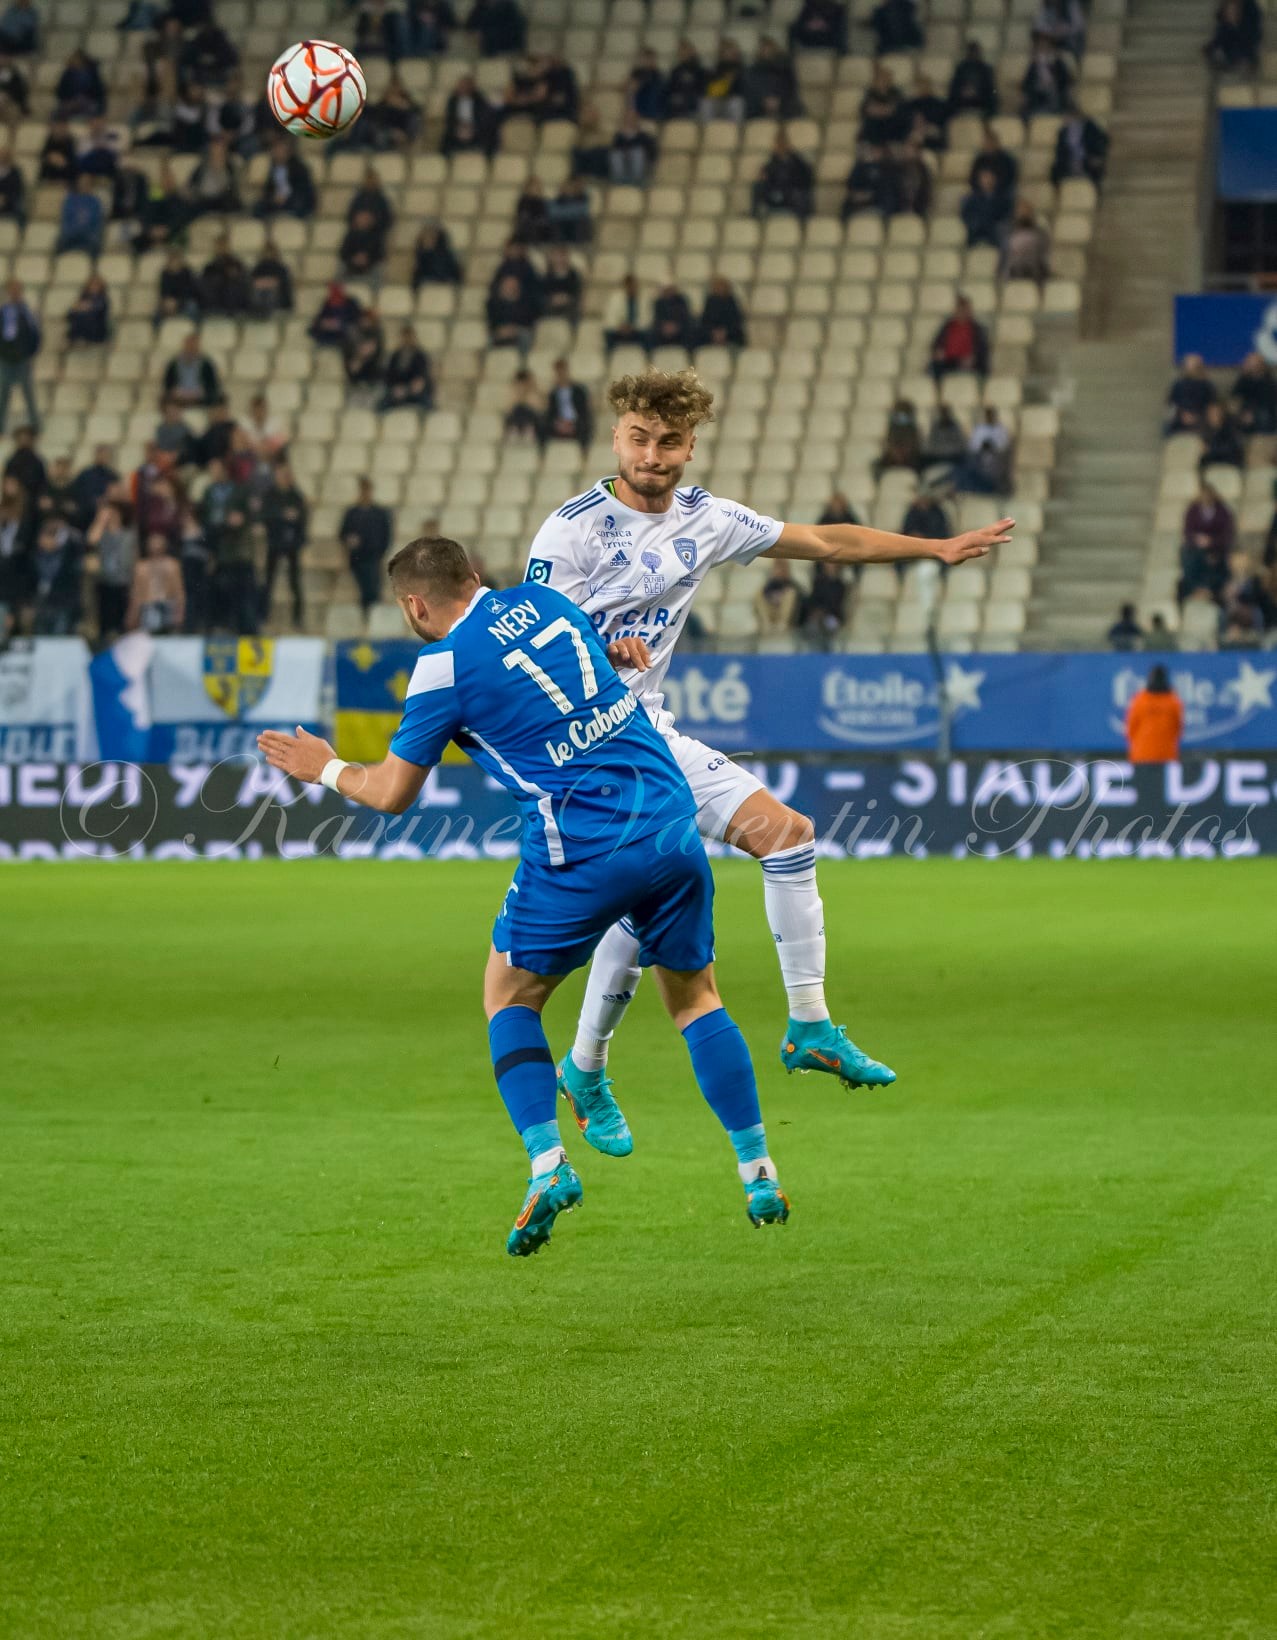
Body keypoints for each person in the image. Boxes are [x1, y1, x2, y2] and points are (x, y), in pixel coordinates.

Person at [257, 535, 792, 1255]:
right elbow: (578, 662)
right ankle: (757, 1170)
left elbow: (390, 794)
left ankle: (548, 1165)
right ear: (475, 578)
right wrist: (620, 652)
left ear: (415, 605)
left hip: (584, 844)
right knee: (696, 996)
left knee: (508, 998)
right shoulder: (544, 602)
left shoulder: (440, 667)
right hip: (668, 815)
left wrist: (324, 768)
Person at [523, 367, 1013, 1125]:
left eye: (669, 441)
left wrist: (933, 547)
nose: (652, 454)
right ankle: (585, 1069)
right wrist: (598, 645)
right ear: (616, 436)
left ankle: (808, 1026)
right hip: (584, 748)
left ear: (690, 446)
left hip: (649, 732)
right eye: (639, 438)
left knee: (786, 839)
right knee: (644, 888)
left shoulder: (706, 518)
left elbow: (823, 541)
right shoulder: (571, 529)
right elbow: (528, 642)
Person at [260, 457, 308, 627]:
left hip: (291, 544)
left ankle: (297, 618)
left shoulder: (296, 496)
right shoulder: (271, 496)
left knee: (294, 582)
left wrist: (300, 539)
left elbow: (303, 519)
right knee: (268, 581)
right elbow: (265, 515)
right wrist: (282, 515)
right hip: (274, 542)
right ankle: (263, 615)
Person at [341, 476, 392, 614]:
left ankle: (372, 618)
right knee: (363, 591)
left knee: (373, 590)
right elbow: (343, 533)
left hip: (373, 557)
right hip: (357, 558)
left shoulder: (379, 513)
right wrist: (349, 541)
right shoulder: (352, 513)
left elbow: (386, 535)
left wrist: (380, 552)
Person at [0, 279, 40, 433]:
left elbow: (34, 334)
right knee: (4, 395)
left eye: (17, 289)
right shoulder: (4, 312)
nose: (14, 293)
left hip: (22, 358)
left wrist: (30, 352)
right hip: (6, 359)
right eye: (12, 290)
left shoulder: (27, 312)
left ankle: (35, 426)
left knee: (28, 394)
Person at [31, 518, 84, 635]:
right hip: (42, 602)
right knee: (40, 636)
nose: (41, 541)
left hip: (63, 603)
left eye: (45, 537)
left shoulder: (69, 554)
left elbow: (78, 541)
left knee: (59, 637)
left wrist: (64, 532)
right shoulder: (37, 555)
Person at [127, 529, 184, 634]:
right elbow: (136, 593)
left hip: (167, 607)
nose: (155, 545)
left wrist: (179, 613)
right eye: (152, 542)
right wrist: (132, 615)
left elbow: (179, 592)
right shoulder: (141, 567)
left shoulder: (172, 565)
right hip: (148, 608)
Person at [1125, 664, 1184, 764]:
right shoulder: (1173, 701)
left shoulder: (1139, 700)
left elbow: (1130, 729)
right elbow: (1178, 729)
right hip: (1166, 755)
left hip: (1141, 756)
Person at [750, 132, 813, 220]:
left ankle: (801, 221)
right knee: (758, 187)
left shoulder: (799, 163)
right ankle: (754, 217)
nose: (779, 147)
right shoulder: (771, 164)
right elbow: (769, 180)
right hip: (776, 193)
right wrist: (764, 178)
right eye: (777, 144)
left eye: (782, 143)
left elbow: (805, 180)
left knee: (799, 196)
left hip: (791, 194)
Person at [930, 295, 989, 385]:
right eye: (960, 309)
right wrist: (938, 352)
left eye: (964, 310)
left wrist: (974, 358)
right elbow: (936, 345)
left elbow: (982, 349)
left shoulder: (976, 329)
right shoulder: (947, 327)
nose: (962, 312)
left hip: (969, 362)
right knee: (935, 367)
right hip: (949, 361)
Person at [255, 136, 316, 219]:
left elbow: (303, 190)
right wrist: (273, 198)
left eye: (281, 150)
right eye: (275, 150)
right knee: (258, 207)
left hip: (293, 200)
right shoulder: (272, 168)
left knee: (298, 204)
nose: (278, 153)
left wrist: (287, 197)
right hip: (276, 202)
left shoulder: (299, 168)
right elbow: (268, 190)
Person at [379, 324, 433, 412]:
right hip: (397, 391)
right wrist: (395, 388)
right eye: (404, 338)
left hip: (414, 392)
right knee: (381, 405)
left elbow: (420, 380)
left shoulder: (420, 357)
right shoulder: (395, 356)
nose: (407, 340)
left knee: (428, 404)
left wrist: (407, 389)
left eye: (409, 337)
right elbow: (389, 377)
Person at [442, 73, 497, 155]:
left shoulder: (480, 100)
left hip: (476, 130)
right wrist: (458, 128)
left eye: (466, 86)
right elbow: (450, 118)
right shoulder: (452, 100)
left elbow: (484, 118)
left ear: (471, 87)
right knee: (445, 141)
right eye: (461, 86)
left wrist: (473, 128)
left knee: (489, 137)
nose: (463, 88)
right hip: (458, 130)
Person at [542, 357, 591, 449]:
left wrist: (571, 424)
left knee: (584, 426)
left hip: (576, 423)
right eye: (558, 373)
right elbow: (550, 413)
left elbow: (584, 411)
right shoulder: (553, 394)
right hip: (559, 424)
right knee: (544, 426)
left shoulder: (579, 391)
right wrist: (558, 424)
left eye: (562, 371)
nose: (561, 375)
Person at [1020, 34, 1072, 119]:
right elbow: (1026, 84)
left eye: (1046, 48)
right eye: (1040, 48)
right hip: (1037, 98)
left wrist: (1050, 70)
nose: (1043, 51)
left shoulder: (1058, 64)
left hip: (1055, 97)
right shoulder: (1034, 66)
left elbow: (1066, 82)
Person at [1051, 112, 1109, 188]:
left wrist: (1098, 156)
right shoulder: (1063, 132)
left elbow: (1103, 140)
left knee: (1095, 167)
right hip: (1068, 164)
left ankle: (1096, 191)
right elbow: (1060, 152)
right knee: (1055, 171)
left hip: (1088, 161)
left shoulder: (1090, 127)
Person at [163, 333, 221, 407]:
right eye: (189, 345)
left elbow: (213, 385)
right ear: (184, 345)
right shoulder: (173, 364)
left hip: (201, 399)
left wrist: (201, 392)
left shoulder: (207, 365)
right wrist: (176, 392)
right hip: (178, 400)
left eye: (194, 345)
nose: (191, 348)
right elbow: (168, 385)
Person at [1001, 199, 1051, 284]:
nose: (1023, 214)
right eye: (1020, 212)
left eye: (1026, 212)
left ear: (1031, 214)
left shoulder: (1040, 234)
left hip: (1034, 274)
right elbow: (1005, 258)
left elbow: (1042, 257)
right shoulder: (1009, 234)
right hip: (1013, 274)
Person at [1205, 0, 1262, 71]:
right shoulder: (1226, 7)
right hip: (1231, 38)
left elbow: (1253, 30)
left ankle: (1246, 63)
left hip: (1246, 39)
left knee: (1239, 52)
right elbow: (1220, 26)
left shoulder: (1249, 6)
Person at [947, 40, 998, 120]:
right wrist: (963, 91)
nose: (974, 54)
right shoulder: (961, 68)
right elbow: (954, 86)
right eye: (972, 52)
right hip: (962, 100)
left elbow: (989, 88)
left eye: (975, 51)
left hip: (980, 100)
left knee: (993, 97)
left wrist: (977, 92)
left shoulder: (985, 68)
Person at [1165, 355, 1216, 435]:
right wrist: (1183, 415)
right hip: (1180, 419)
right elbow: (1172, 403)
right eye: (1188, 366)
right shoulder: (1179, 384)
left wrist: (1196, 416)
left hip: (1201, 420)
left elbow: (1211, 405)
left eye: (1193, 367)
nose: (1190, 369)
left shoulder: (1206, 385)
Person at [1230, 351, 1277, 434]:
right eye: (1249, 363)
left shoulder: (1268, 381)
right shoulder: (1244, 379)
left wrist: (1253, 414)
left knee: (1263, 416)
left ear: (1261, 365)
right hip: (1245, 411)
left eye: (1254, 364)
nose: (1252, 366)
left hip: (1263, 413)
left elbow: (1267, 403)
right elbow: (1235, 395)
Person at [56, 178, 104, 256]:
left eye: (87, 184)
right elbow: (66, 219)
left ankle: (92, 267)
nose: (84, 186)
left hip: (88, 235)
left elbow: (97, 221)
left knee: (95, 247)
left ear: (91, 186)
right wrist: (71, 231)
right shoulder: (70, 200)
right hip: (71, 234)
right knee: (58, 244)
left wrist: (90, 232)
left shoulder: (95, 202)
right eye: (82, 183)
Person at [609, 111, 657, 186]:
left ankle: (636, 180)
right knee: (616, 155)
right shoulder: (619, 137)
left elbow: (652, 153)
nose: (630, 122)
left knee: (638, 153)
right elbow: (614, 149)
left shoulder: (644, 137)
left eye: (632, 119)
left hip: (640, 165)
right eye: (628, 120)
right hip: (623, 162)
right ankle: (618, 180)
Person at [698, 277, 746, 348]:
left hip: (730, 336)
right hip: (711, 335)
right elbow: (705, 321)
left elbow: (736, 322)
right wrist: (713, 333)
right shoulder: (710, 301)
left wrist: (725, 333)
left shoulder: (732, 301)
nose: (720, 289)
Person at [603, 272, 646, 351]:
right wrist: (620, 327)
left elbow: (646, 319)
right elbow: (609, 318)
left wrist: (632, 327)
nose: (632, 288)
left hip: (636, 331)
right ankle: (609, 360)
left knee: (648, 335)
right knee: (608, 334)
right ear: (625, 286)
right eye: (630, 286)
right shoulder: (615, 299)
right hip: (619, 331)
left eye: (634, 286)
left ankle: (647, 360)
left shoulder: (643, 299)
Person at [412, 219, 462, 286]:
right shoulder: (421, 258)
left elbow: (454, 277)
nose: (427, 239)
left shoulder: (447, 257)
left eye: (431, 236)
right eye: (425, 236)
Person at [1199, 401, 1246, 471]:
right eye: (1210, 413)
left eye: (1216, 413)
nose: (1213, 415)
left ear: (1222, 413)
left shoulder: (1231, 429)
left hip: (1229, 467)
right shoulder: (1204, 430)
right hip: (1210, 468)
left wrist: (1210, 448)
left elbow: (1233, 449)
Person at [755, 559, 798, 634]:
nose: (779, 571)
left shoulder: (791, 583)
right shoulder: (770, 582)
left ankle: (782, 625)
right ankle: (766, 624)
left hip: (784, 613)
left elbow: (799, 595)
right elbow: (765, 592)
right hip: (771, 609)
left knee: (790, 593)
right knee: (758, 594)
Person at [66, 273, 110, 345]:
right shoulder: (83, 297)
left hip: (97, 329)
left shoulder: (103, 299)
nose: (93, 287)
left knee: (85, 318)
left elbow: (97, 311)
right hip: (82, 327)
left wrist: (86, 308)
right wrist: (79, 308)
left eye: (96, 285)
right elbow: (69, 314)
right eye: (91, 285)